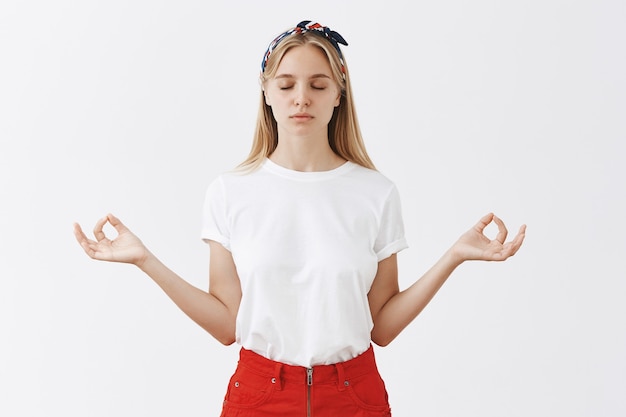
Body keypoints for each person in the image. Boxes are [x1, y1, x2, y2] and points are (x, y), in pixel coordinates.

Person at [74, 20, 526, 417]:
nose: (301, 99)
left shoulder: (375, 193)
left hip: (355, 395)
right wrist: (144, 260)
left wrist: (454, 256)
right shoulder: (231, 192)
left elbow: (382, 326)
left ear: (339, 92)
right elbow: (228, 325)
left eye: (318, 84)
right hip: (258, 394)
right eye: (286, 85)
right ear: (266, 91)